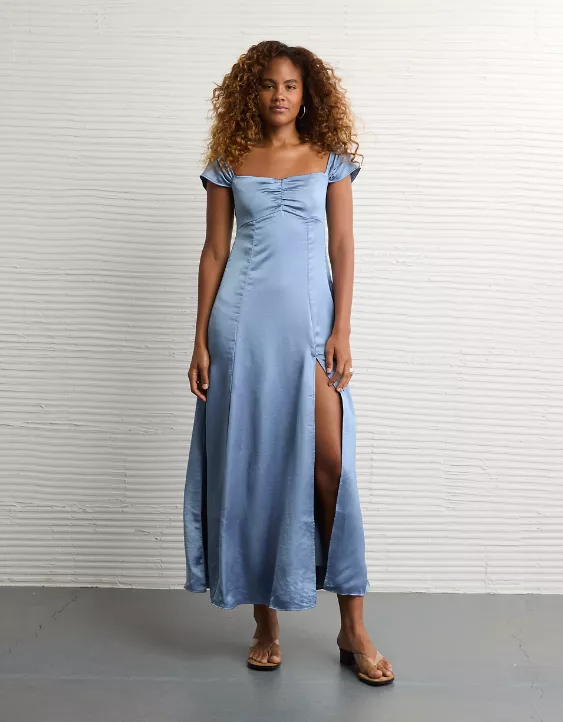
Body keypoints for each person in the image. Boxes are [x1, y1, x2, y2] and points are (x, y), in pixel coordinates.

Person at [183, 40, 394, 686]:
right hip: (240, 330)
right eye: (269, 84)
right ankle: (264, 623)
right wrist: (199, 340)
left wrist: (341, 329)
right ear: (252, 92)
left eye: (291, 85)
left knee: (332, 467)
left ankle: (352, 626)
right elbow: (215, 252)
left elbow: (342, 246)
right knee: (252, 467)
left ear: (307, 95)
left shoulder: (329, 161)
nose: (279, 95)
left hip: (310, 332)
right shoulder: (229, 162)